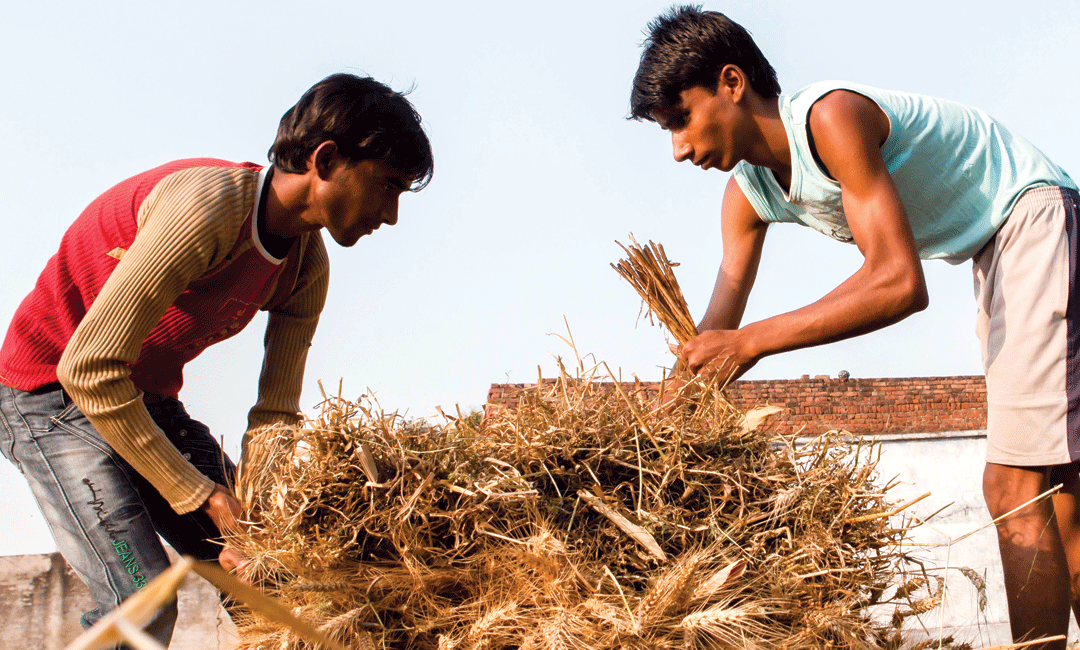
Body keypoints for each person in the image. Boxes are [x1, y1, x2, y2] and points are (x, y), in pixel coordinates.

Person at [630, 5, 1079, 649]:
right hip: (994, 252)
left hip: (1034, 219)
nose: (677, 148)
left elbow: (898, 282)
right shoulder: (746, 196)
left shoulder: (830, 119)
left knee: (1012, 485)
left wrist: (753, 341)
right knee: (1057, 501)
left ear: (732, 83)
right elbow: (713, 335)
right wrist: (655, 438)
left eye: (682, 119)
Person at [0, 72, 433, 646]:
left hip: (144, 401)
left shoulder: (305, 267)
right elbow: (88, 368)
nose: (393, 213)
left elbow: (274, 415)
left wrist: (258, 525)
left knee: (280, 576)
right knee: (141, 602)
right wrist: (203, 495)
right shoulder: (207, 210)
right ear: (326, 160)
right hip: (46, 397)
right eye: (388, 185)